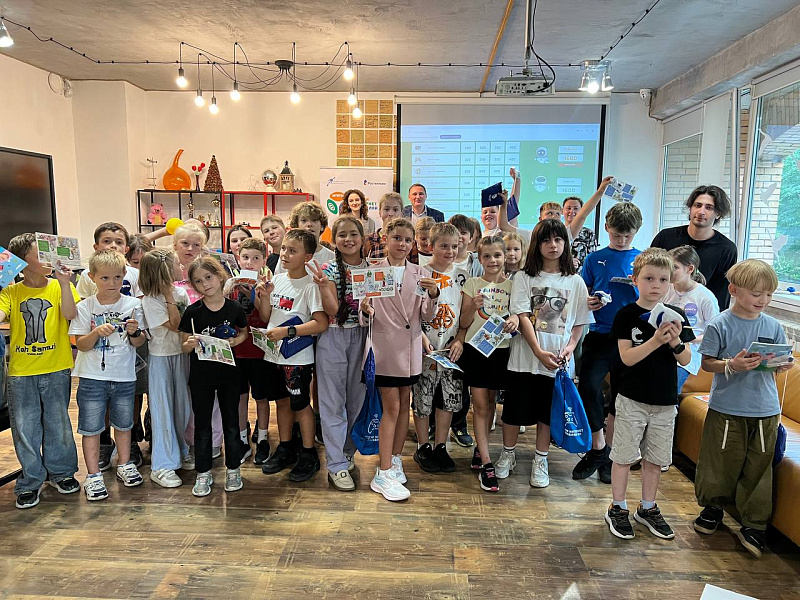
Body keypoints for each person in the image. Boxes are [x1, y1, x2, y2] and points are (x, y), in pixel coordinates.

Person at [694, 259, 793, 559]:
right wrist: (731, 364)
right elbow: (707, 363)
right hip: (727, 407)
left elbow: (778, 363)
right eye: (756, 293)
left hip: (765, 409)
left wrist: (782, 364)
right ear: (734, 290)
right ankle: (712, 508)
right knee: (719, 462)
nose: (763, 300)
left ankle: (754, 524)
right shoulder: (719, 324)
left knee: (759, 468)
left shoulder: (773, 326)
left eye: (769, 294)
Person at [605, 248, 694, 540]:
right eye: (649, 278)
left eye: (663, 279)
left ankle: (648, 506)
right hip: (632, 398)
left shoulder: (676, 315)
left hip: (665, 401)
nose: (656, 285)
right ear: (635, 280)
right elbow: (627, 358)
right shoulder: (626, 315)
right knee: (623, 456)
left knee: (655, 459)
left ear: (671, 282)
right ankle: (618, 506)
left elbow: (686, 359)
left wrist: (675, 341)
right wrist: (656, 340)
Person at [497, 219, 592, 487]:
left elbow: (580, 322)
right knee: (513, 412)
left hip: (558, 362)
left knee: (546, 414)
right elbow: (522, 315)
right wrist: (538, 351)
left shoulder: (575, 281)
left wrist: (570, 348)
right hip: (524, 359)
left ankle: (541, 459)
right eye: (546, 240)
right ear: (536, 245)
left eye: (558, 239)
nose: (553, 245)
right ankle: (508, 454)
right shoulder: (524, 277)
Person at [360, 217, 439, 501]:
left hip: (410, 350)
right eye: (397, 238)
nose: (402, 244)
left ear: (413, 243)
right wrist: (365, 309)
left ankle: (394, 459)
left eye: (407, 240)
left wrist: (434, 294)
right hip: (384, 349)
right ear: (386, 239)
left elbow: (425, 315)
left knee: (404, 405)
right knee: (391, 408)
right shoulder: (373, 271)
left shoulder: (420, 273)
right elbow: (364, 314)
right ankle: (382, 472)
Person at [0, 234, 80, 509]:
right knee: (25, 427)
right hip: (21, 372)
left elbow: (70, 315)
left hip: (57, 367)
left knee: (58, 423)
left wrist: (65, 283)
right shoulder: (11, 293)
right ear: (22, 261)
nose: (47, 260)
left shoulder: (59, 286)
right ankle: (31, 479)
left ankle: (62, 472)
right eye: (39, 254)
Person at [573, 202, 643, 484]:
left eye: (627, 236)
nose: (622, 240)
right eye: (616, 235)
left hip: (633, 337)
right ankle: (598, 447)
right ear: (606, 229)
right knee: (588, 386)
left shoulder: (643, 259)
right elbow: (582, 292)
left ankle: (611, 454)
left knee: (621, 397)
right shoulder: (594, 259)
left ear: (636, 232)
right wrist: (589, 302)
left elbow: (657, 294)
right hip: (600, 334)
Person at [70, 250, 147, 500]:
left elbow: (139, 342)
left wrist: (135, 332)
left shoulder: (134, 305)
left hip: (124, 376)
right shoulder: (85, 307)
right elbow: (81, 344)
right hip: (92, 377)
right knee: (91, 428)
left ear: (124, 276)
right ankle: (93, 475)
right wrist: (95, 333)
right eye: (104, 278)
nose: (111, 283)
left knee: (124, 425)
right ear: (92, 277)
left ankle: (125, 464)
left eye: (117, 277)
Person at [257, 229, 329, 482]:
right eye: (284, 249)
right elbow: (266, 317)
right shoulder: (277, 279)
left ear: (307, 257)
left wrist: (288, 332)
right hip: (273, 356)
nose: (285, 254)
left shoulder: (311, 286)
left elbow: (321, 323)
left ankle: (309, 453)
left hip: (298, 359)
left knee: (301, 405)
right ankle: (285, 446)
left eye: (292, 251)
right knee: (281, 403)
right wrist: (264, 297)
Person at [179, 257, 248, 497]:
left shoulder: (234, 308)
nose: (205, 284)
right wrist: (189, 343)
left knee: (232, 423)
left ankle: (234, 469)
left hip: (229, 374)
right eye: (198, 281)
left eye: (208, 277)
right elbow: (184, 345)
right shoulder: (192, 311)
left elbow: (244, 332)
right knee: (202, 425)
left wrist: (235, 341)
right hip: (202, 377)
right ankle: (203, 472)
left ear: (219, 276)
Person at [457, 235, 516, 492]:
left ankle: (481, 450)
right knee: (479, 406)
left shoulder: (513, 286)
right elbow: (463, 322)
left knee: (491, 403)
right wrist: (473, 306)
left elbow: (520, 315)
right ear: (479, 259)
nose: (493, 260)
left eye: (497, 255)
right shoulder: (472, 284)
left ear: (505, 257)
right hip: (476, 350)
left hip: (501, 351)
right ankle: (487, 463)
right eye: (487, 256)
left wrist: (514, 319)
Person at [313, 217, 369, 491]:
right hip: (333, 336)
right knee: (332, 402)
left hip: (364, 338)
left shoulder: (372, 269)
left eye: (353, 234)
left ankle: (347, 452)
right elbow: (332, 311)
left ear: (362, 237)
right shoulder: (328, 269)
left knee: (356, 401)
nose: (348, 239)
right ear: (334, 240)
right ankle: (335, 464)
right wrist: (325, 286)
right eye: (342, 235)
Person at [411, 223, 467, 474]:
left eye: (454, 246)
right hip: (425, 348)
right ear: (431, 246)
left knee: (448, 399)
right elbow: (412, 312)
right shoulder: (420, 273)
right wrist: (421, 336)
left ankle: (441, 446)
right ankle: (423, 446)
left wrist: (460, 339)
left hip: (451, 350)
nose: (450, 251)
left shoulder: (462, 276)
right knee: (422, 398)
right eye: (444, 246)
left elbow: (465, 316)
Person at [139, 247, 192, 488]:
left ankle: (180, 450)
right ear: (164, 272)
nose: (181, 267)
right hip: (160, 358)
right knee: (162, 410)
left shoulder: (181, 292)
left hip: (181, 356)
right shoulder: (150, 300)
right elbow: (176, 323)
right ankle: (162, 465)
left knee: (182, 407)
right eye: (176, 264)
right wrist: (169, 296)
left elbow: (188, 325)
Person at [224, 237, 273, 465]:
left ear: (264, 260)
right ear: (238, 258)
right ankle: (242, 440)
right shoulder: (230, 285)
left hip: (260, 351)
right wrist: (229, 291)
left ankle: (262, 438)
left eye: (255, 258)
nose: (250, 263)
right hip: (237, 350)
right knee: (240, 397)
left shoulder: (266, 285)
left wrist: (253, 294)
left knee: (261, 397)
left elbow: (266, 316)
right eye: (245, 257)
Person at [651, 185, 737, 309]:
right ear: (690, 208)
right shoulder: (665, 237)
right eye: (697, 205)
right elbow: (651, 274)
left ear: (718, 213)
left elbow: (721, 294)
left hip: (700, 314)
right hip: (662, 308)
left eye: (709, 207)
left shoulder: (726, 249)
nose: (701, 212)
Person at [664, 246, 719, 395]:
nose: (669, 271)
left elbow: (715, 333)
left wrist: (689, 338)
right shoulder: (665, 288)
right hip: (662, 347)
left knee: (669, 389)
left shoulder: (705, 297)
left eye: (674, 267)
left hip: (688, 353)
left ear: (690, 269)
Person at [498, 176, 614, 243]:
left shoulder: (566, 234)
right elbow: (504, 226)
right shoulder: (531, 235)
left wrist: (600, 191)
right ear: (540, 219)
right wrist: (503, 204)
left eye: (558, 214)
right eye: (550, 213)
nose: (554, 216)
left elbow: (583, 215)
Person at [76, 222, 141, 300]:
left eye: (119, 242)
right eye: (106, 241)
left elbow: (141, 302)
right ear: (96, 247)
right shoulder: (86, 274)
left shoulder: (136, 274)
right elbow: (83, 302)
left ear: (126, 249)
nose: (113, 246)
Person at [275, 201, 335, 274]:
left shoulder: (332, 257)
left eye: (314, 220)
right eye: (304, 220)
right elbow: (279, 278)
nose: (309, 224)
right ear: (296, 226)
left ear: (322, 226)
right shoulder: (286, 255)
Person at [563, 196, 598, 271]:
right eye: (568, 208)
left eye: (575, 208)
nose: (571, 211)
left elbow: (592, 258)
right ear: (563, 211)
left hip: (581, 275)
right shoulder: (557, 231)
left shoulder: (589, 233)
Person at [367, 192, 404, 261]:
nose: (391, 213)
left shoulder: (407, 239)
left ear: (401, 213)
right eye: (387, 209)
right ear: (379, 212)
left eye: (395, 210)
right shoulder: (369, 239)